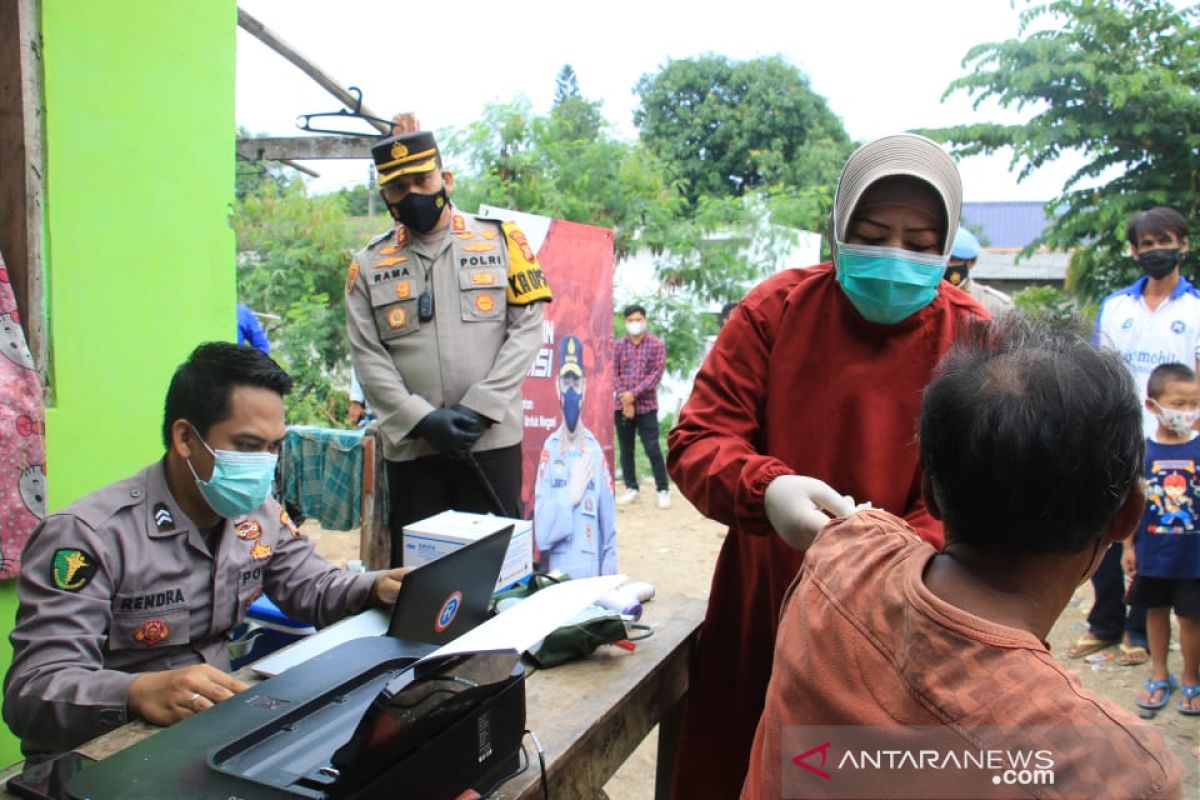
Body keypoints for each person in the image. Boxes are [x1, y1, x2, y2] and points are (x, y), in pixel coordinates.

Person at [666, 133, 988, 799]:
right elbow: (699, 440)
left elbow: (985, 484)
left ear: (948, 246)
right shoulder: (777, 310)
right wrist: (769, 488)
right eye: (872, 234)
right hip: (769, 589)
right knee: (741, 759)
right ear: (838, 230)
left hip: (911, 610)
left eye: (922, 244)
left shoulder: (975, 336)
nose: (896, 257)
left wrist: (904, 545)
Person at [742, 316, 1184, 800]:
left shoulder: (844, 556)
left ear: (929, 490)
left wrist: (773, 488)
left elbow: (841, 530)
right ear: (1127, 516)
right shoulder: (1114, 770)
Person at [2, 343, 409, 760]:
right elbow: (32, 692)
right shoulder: (89, 536)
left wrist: (378, 586)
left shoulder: (258, 513)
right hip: (98, 758)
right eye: (248, 446)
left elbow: (313, 587)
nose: (264, 464)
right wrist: (136, 692)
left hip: (211, 736)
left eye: (273, 448)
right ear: (185, 438)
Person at [345, 127, 551, 566]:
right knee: (422, 577)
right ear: (385, 195)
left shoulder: (502, 241)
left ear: (447, 179)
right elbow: (368, 354)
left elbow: (527, 328)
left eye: (423, 181)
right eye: (399, 187)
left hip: (490, 440)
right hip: (414, 448)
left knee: (497, 571)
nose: (414, 194)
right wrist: (421, 419)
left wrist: (480, 408)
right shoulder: (367, 266)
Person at [1071, 206, 1194, 666]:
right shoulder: (1116, 307)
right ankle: (1103, 623)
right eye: (1147, 244)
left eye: (1165, 241)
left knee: (1155, 537)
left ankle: (1139, 631)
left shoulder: (1195, 310)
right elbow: (1103, 371)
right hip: (1118, 437)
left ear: (1183, 244)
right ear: (1134, 251)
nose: (1156, 251)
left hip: (1172, 444)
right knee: (1108, 527)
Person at [1123, 363, 1200, 715]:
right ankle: (1159, 674)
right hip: (1152, 553)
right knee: (1155, 613)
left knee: (1191, 619)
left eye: (1194, 404)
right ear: (1153, 405)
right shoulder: (1142, 452)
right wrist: (1127, 546)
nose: (1187, 412)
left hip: (1193, 557)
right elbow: (1133, 504)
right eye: (1179, 403)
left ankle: (1190, 679)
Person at [534, 335, 617, 578]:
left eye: (576, 381)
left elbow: (609, 532)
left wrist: (608, 584)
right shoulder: (549, 450)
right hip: (559, 581)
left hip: (592, 580)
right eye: (565, 381)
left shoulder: (594, 451)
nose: (571, 389)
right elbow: (542, 534)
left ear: (585, 387)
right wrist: (569, 495)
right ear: (556, 386)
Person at [613, 304, 669, 509]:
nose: (635, 323)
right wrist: (623, 398)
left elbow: (656, 374)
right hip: (621, 407)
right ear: (625, 322)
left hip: (647, 406)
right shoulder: (618, 346)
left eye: (638, 319)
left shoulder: (656, 344)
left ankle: (662, 489)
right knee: (626, 449)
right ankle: (631, 488)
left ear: (644, 321)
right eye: (631, 320)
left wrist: (632, 396)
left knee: (652, 447)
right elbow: (613, 373)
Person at [941, 226, 1014, 315]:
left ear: (971, 262)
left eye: (952, 260)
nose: (944, 266)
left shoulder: (996, 305)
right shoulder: (921, 301)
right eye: (940, 258)